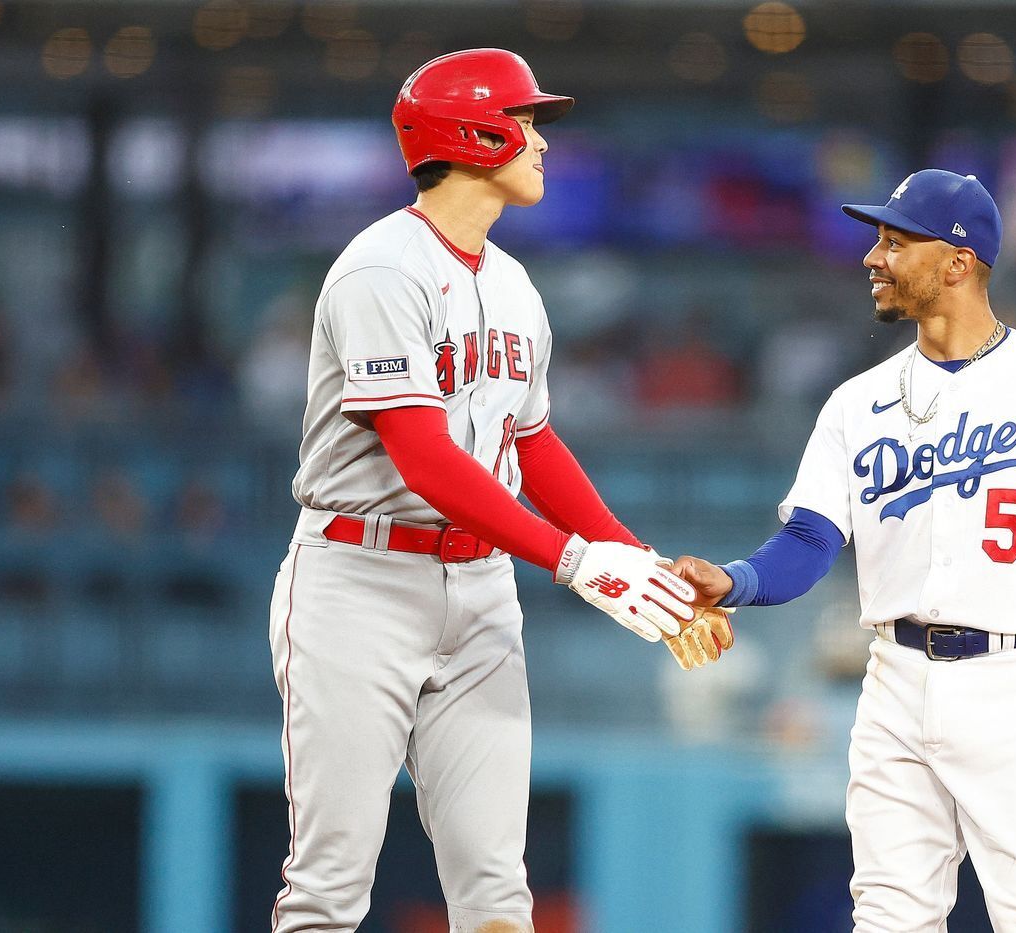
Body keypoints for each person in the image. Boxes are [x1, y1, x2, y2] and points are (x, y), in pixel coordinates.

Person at [268, 49, 711, 933]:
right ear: (473, 135)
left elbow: (532, 442)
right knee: (328, 889)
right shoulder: (380, 269)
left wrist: (636, 559)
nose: (541, 142)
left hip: (480, 592)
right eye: (526, 121)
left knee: (498, 895)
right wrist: (575, 561)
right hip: (360, 581)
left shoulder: (511, 283)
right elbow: (425, 462)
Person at [671, 170, 1016, 931]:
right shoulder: (855, 404)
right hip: (894, 680)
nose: (873, 257)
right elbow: (809, 541)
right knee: (887, 916)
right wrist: (734, 580)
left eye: (896, 242)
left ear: (958, 262)